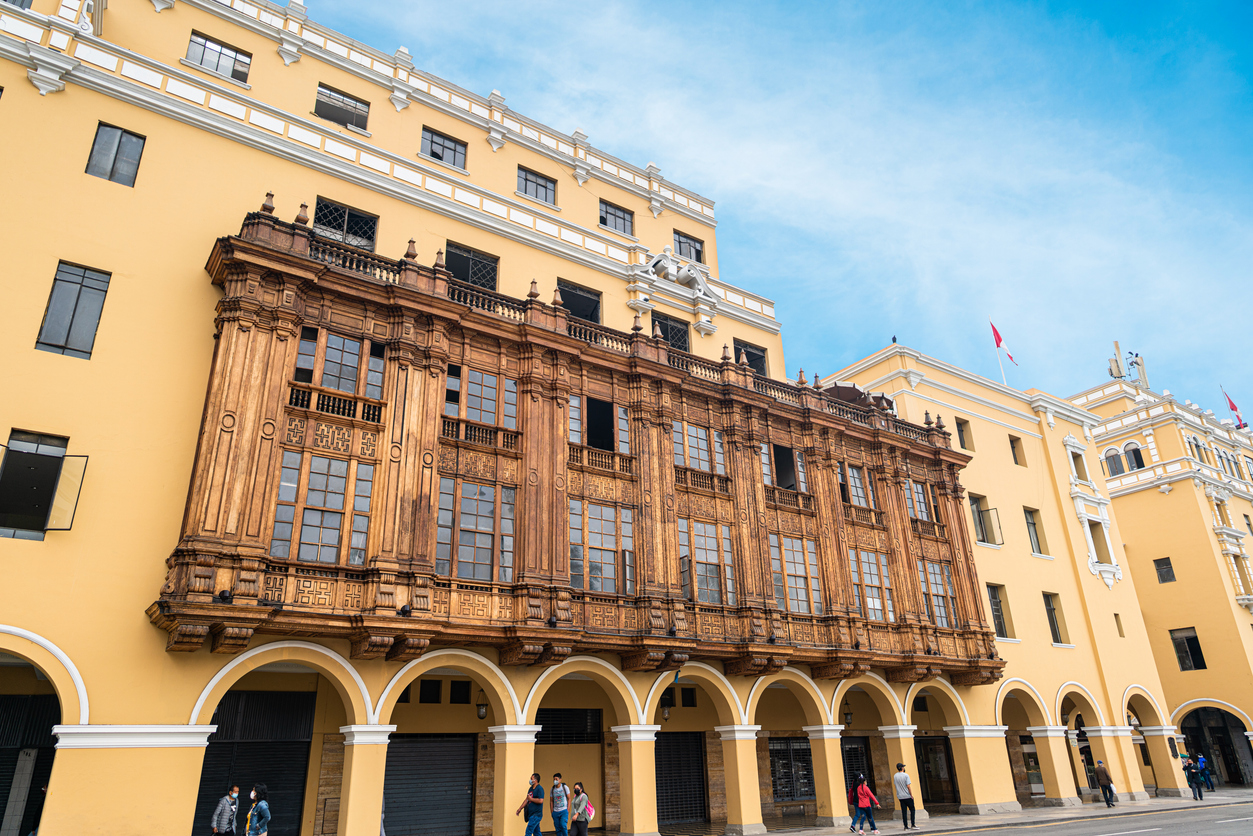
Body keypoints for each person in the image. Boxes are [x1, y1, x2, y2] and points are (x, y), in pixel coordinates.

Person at [892, 763, 917, 830]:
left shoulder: (895, 776)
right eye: (903, 767)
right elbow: (908, 786)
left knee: (904, 812)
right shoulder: (906, 775)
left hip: (900, 796)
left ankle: (905, 826)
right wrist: (911, 795)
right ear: (902, 768)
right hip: (907, 796)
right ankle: (913, 824)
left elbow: (895, 785)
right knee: (912, 810)